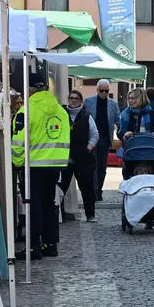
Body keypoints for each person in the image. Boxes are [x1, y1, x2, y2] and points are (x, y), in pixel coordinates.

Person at [11, 73, 71, 260]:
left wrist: (16, 163)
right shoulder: (61, 110)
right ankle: (50, 244)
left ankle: (33, 247)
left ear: (28, 90)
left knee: (33, 205)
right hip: (56, 164)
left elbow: (18, 143)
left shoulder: (27, 110)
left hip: (34, 166)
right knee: (49, 204)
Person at [58, 90, 99, 223]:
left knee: (87, 188)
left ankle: (90, 214)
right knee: (60, 188)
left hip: (83, 158)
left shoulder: (87, 116)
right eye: (71, 98)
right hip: (65, 158)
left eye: (76, 98)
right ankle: (57, 214)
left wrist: (88, 148)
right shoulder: (61, 114)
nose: (73, 100)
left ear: (81, 101)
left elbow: (95, 134)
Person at [84, 79, 120, 201]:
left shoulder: (113, 104)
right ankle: (93, 190)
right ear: (97, 89)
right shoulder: (88, 101)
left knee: (102, 167)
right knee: (92, 166)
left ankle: (98, 190)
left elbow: (118, 120)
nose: (104, 93)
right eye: (102, 91)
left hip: (105, 138)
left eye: (106, 91)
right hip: (91, 138)